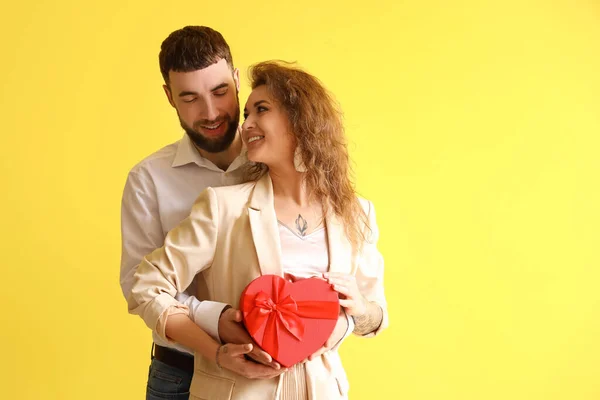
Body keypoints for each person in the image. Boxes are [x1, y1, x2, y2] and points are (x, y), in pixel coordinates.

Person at [128, 60, 388, 400]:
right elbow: (146, 285)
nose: (245, 124)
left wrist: (359, 311)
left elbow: (376, 314)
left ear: (301, 120)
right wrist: (216, 351)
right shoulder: (223, 206)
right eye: (246, 112)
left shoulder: (356, 212)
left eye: (260, 110)